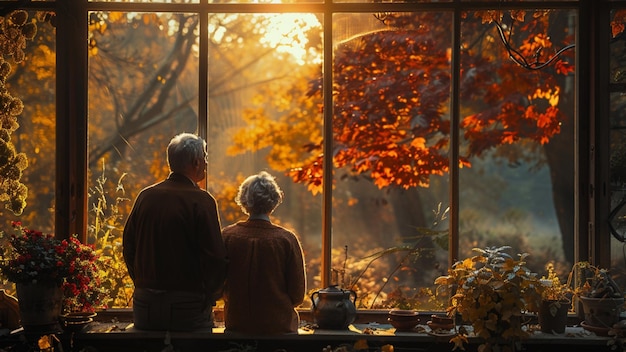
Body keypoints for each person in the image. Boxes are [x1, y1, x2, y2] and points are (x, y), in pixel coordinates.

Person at [123, 132, 228, 331]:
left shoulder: (146, 197)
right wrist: (210, 296)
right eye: (205, 158)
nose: (206, 163)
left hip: (144, 307)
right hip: (188, 307)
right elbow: (215, 257)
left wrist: (143, 283)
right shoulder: (201, 201)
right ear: (196, 162)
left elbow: (129, 247)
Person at [222, 171, 306, 335]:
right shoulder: (286, 240)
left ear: (243, 200)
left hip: (237, 324)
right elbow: (297, 295)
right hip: (279, 326)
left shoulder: (228, 236)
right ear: (274, 200)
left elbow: (217, 285)